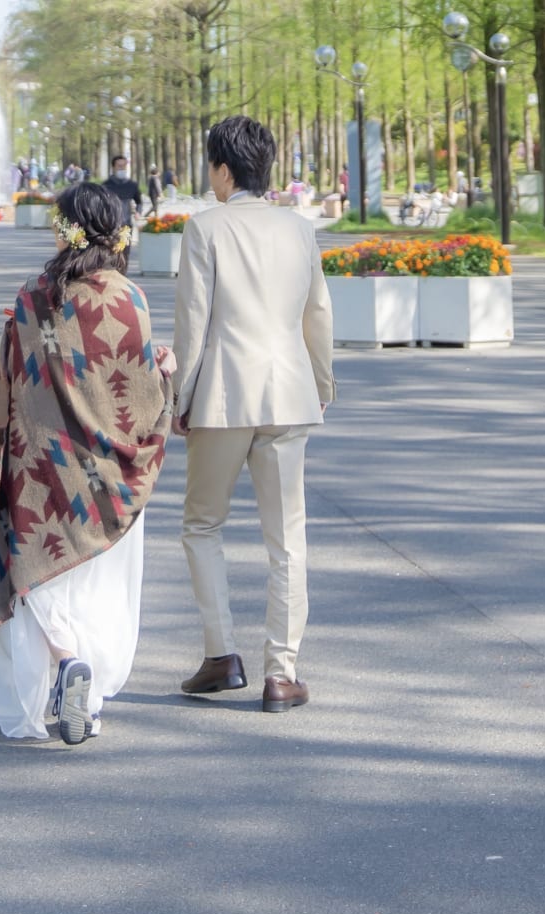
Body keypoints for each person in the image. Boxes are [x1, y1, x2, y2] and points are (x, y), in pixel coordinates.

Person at [0, 182, 173, 745]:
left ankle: (65, 659)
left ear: (67, 230)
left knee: (36, 577)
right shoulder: (130, 299)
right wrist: (161, 371)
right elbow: (140, 396)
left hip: (44, 468)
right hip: (108, 481)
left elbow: (15, 386)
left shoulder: (35, 297)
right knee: (96, 584)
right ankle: (86, 698)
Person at [171, 115, 335, 714]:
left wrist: (179, 401)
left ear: (222, 168)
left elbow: (193, 323)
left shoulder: (205, 227)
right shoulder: (298, 229)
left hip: (222, 396)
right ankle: (282, 673)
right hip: (289, 394)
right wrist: (321, 384)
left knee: (203, 526)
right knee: (287, 538)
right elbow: (317, 313)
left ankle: (220, 655)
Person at [103, 155, 141, 269]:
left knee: (125, 252)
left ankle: (123, 275)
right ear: (113, 167)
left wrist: (138, 212)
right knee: (111, 252)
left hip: (126, 224)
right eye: (119, 166)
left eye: (124, 166)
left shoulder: (132, 185)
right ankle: (112, 274)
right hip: (110, 224)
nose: (122, 168)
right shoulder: (106, 185)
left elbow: (139, 201)